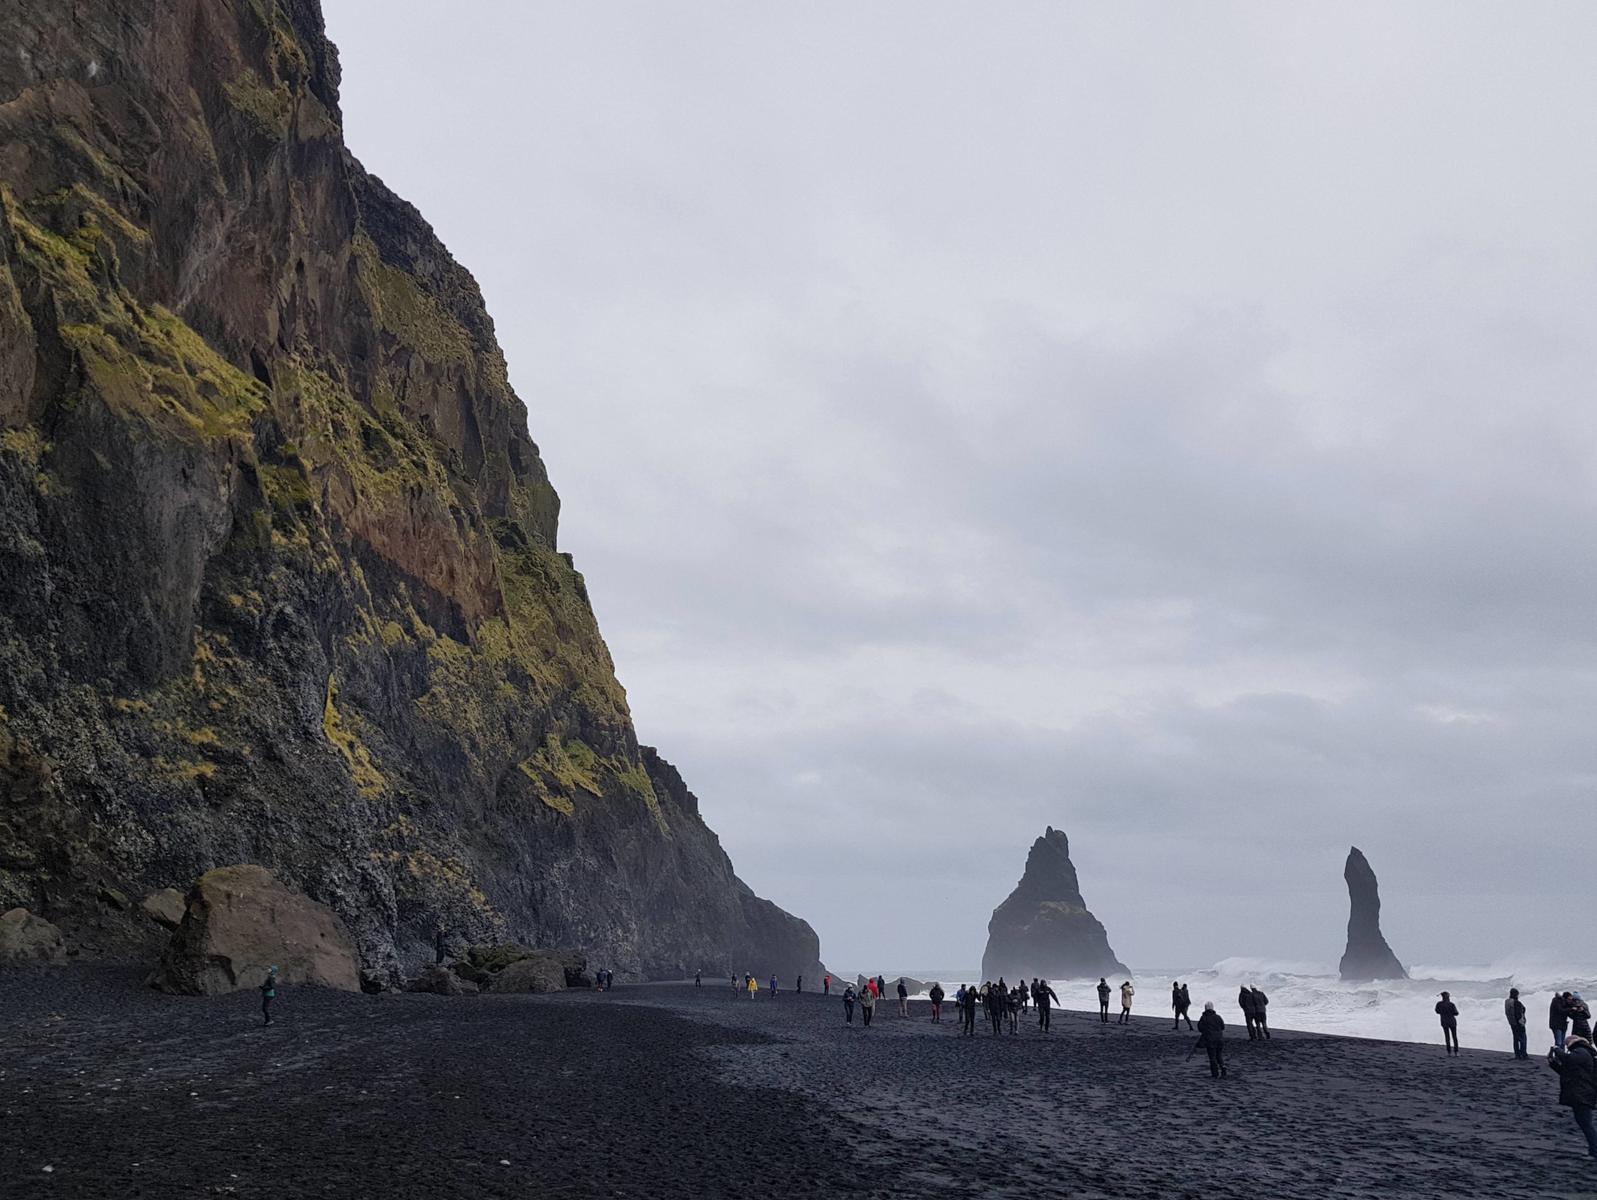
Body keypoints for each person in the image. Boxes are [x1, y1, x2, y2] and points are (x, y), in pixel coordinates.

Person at [1548, 1034, 1597, 1159]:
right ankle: (1593, 1151)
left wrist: (1557, 1049)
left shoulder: (1582, 1051)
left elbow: (1568, 1060)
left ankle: (1595, 1152)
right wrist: (1553, 1063)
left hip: (1583, 1094)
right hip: (1581, 1093)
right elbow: (1567, 1071)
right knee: (1584, 1123)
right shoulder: (1583, 1052)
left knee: (1586, 1124)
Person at [1197, 1001, 1227, 1079]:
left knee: (1212, 1057)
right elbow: (1223, 1027)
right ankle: (1223, 1068)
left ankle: (1215, 1073)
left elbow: (1200, 1028)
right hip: (1220, 1039)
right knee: (1219, 1055)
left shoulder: (1204, 1017)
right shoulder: (1218, 1017)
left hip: (1210, 1039)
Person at [1506, 987, 1528, 1060]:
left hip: (1512, 1022)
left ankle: (1517, 1054)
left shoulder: (1507, 1002)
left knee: (1515, 1039)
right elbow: (1519, 1014)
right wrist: (1522, 1022)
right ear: (1516, 995)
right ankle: (1523, 1054)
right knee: (1523, 1038)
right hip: (1518, 1023)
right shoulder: (1517, 1003)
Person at [1436, 991, 1460, 1055]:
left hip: (1444, 1021)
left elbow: (1437, 1011)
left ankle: (1449, 1052)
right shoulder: (1451, 1004)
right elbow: (1456, 1013)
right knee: (1454, 1037)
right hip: (1452, 1021)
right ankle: (1456, 1052)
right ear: (1448, 997)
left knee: (1447, 1037)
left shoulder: (1439, 1004)